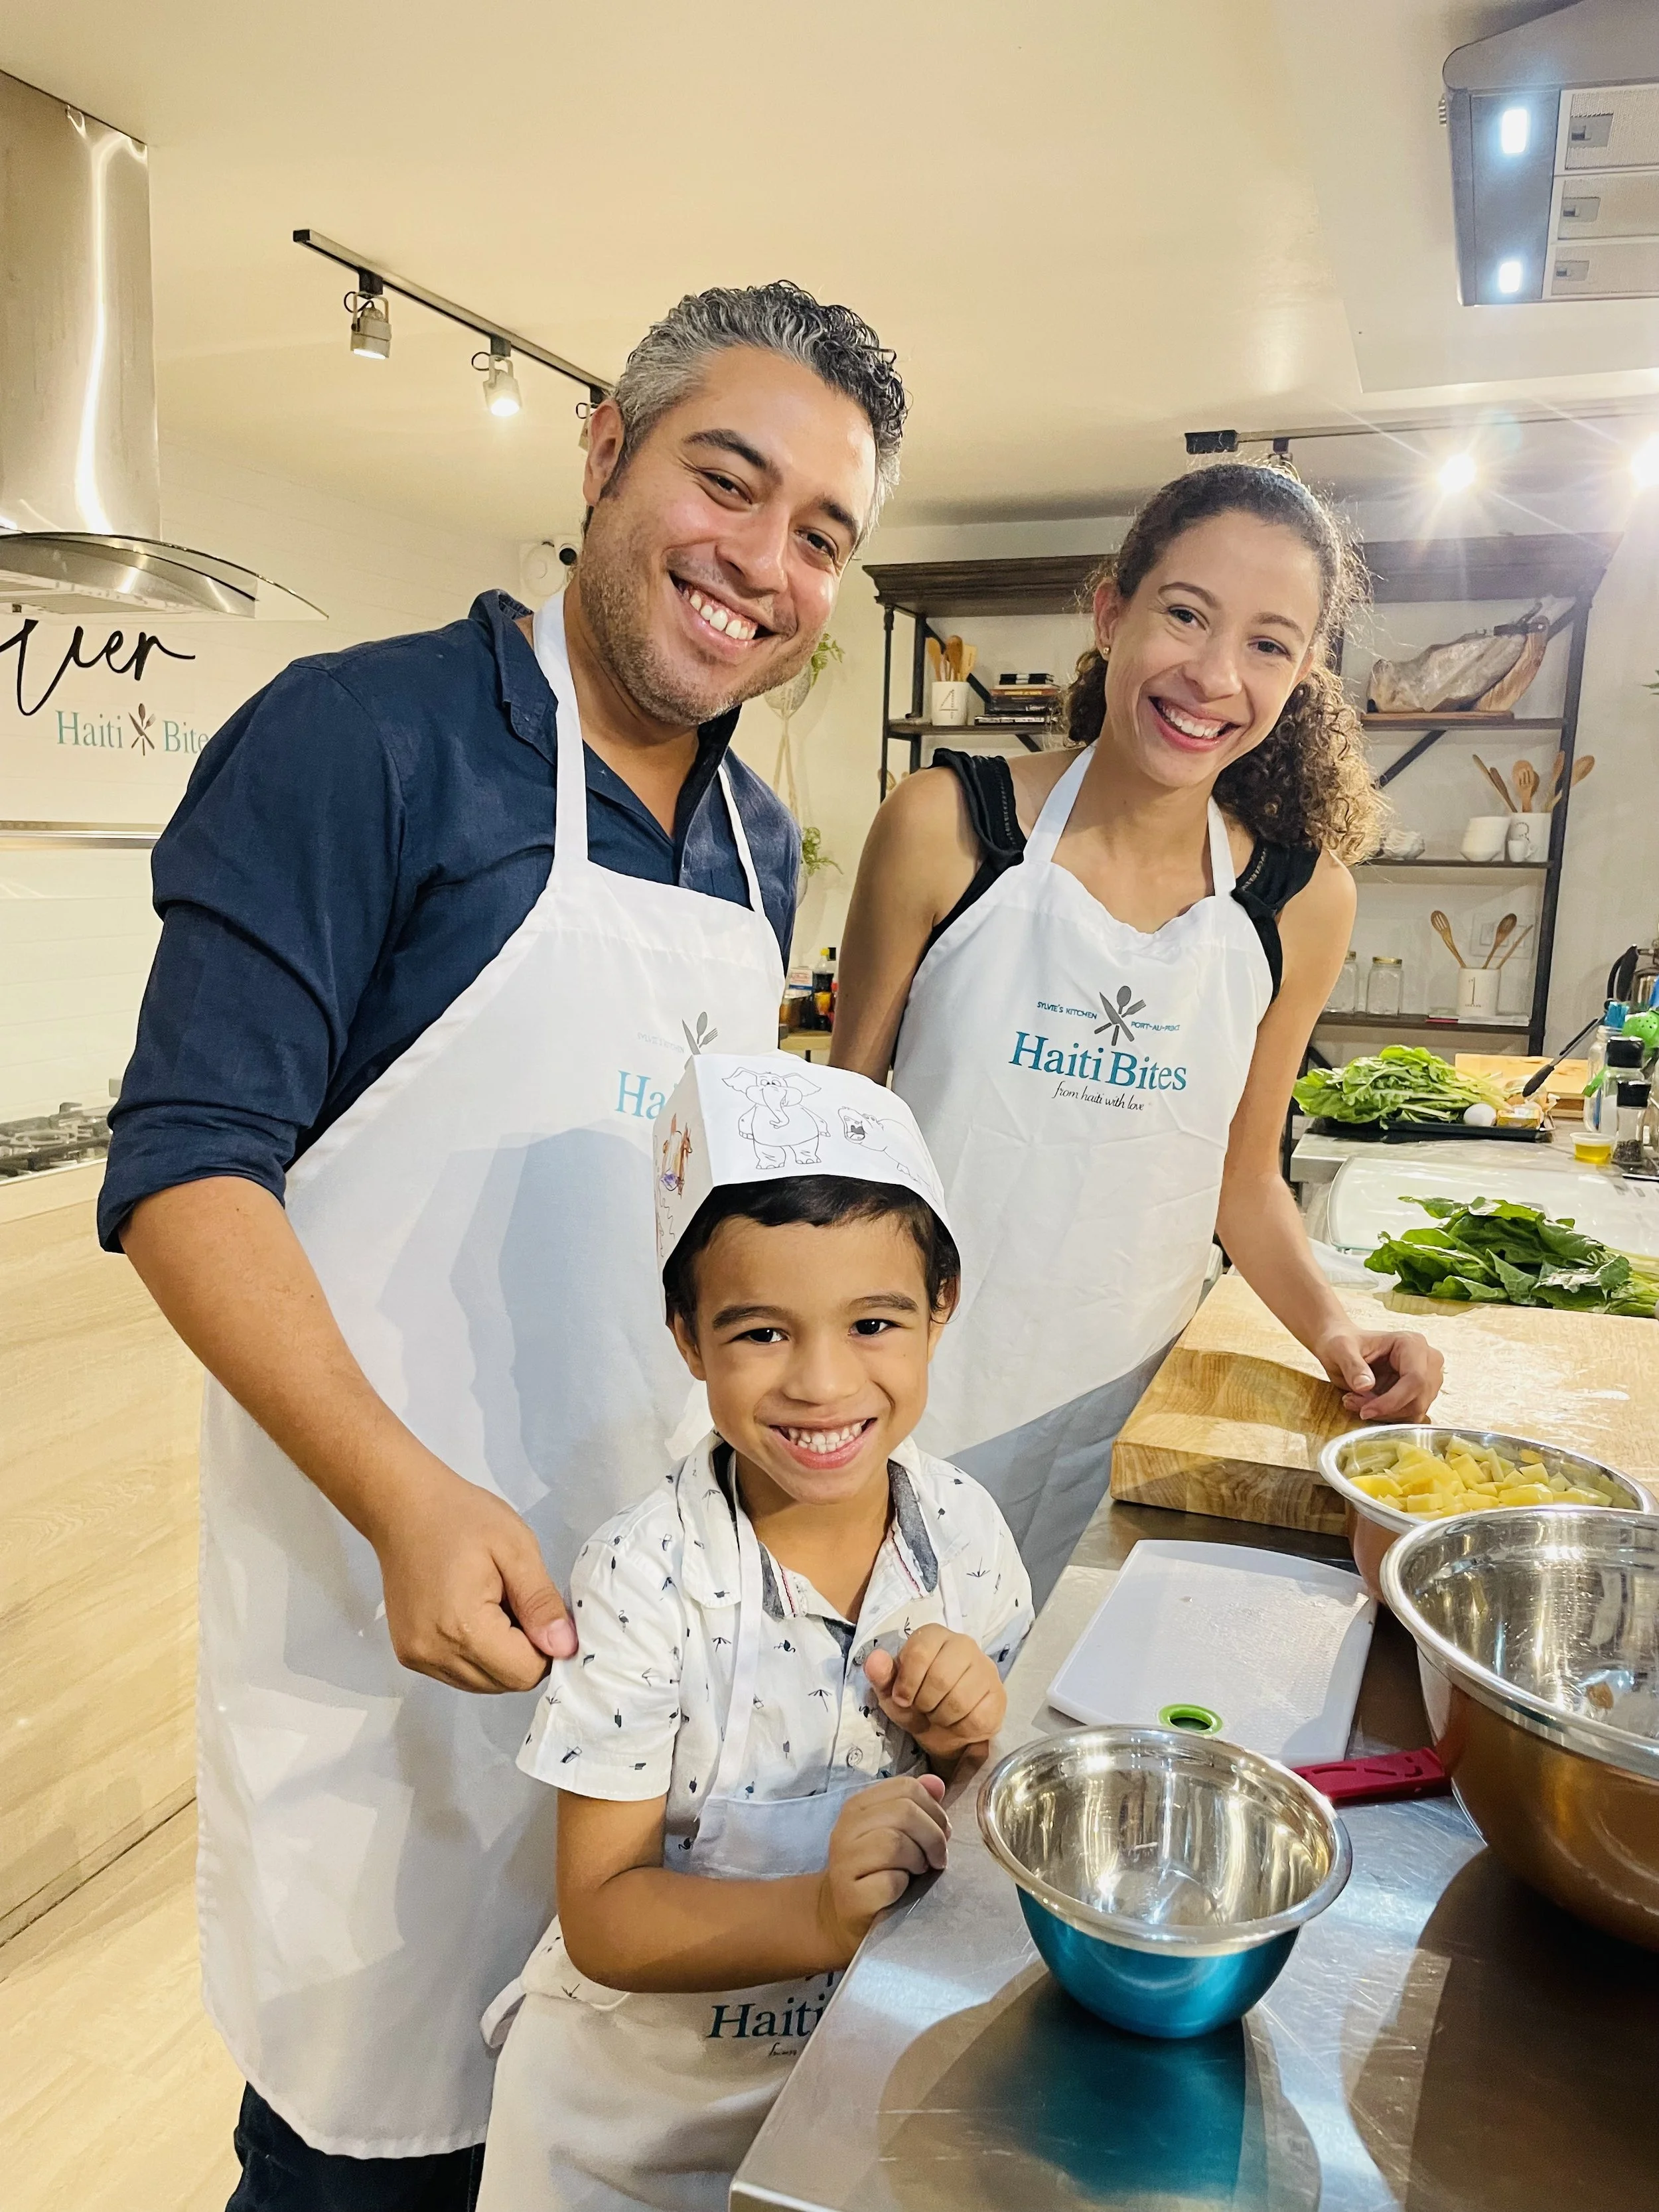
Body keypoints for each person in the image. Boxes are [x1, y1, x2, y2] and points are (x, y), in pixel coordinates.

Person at [99, 282, 907, 2209]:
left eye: (821, 536)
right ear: (605, 453)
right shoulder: (358, 739)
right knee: (362, 2151)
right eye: (732, 481)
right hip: (398, 1641)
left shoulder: (754, 843)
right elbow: (188, 1162)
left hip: (645, 1648)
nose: (764, 567)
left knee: (583, 2143)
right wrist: (398, 1496)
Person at [831, 462, 1444, 1603]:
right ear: (1111, 612)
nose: (1215, 677)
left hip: (1116, 1417)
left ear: (1305, 674)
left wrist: (1341, 1339)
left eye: (1270, 643)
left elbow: (1242, 1182)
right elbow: (838, 1134)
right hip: (896, 1397)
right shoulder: (946, 825)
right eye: (1186, 614)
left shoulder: (1303, 904)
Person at [476, 1053, 1032, 2211]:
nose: (823, 1385)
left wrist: (971, 1736)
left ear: (943, 1307)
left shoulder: (964, 1537)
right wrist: (819, 1912)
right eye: (761, 1334)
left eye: (874, 1321)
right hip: (623, 2139)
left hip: (848, 2102)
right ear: (687, 1337)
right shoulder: (645, 1578)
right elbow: (605, 1916)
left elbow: (983, 1815)